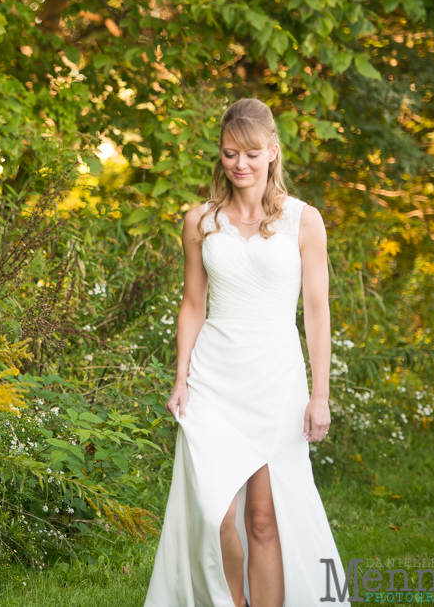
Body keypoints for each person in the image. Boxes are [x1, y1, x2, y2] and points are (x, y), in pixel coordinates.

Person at [144, 98, 347, 606]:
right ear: (220, 154)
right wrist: (181, 376)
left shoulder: (305, 221)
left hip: (276, 378)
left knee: (262, 518)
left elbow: (317, 313)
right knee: (216, 515)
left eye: (252, 154)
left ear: (273, 152)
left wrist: (320, 396)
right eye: (231, 153)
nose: (240, 164)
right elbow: (193, 304)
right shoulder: (201, 221)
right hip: (214, 378)